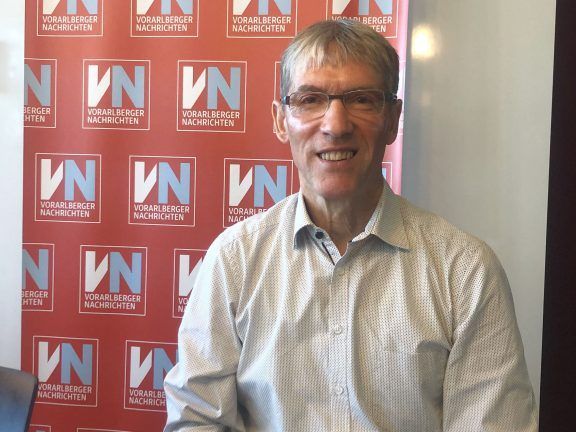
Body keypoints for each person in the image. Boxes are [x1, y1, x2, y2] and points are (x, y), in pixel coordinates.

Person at [164, 19, 538, 431]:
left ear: (392, 118)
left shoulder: (466, 271)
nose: (336, 125)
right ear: (280, 120)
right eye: (310, 99)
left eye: (361, 100)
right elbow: (198, 420)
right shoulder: (234, 260)